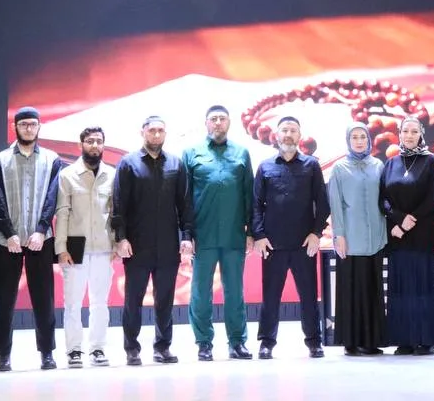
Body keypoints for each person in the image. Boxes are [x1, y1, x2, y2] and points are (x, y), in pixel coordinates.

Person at [112, 116, 195, 366]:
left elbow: (185, 205)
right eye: (152, 131)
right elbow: (119, 205)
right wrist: (121, 238)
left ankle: (163, 347)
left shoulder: (176, 164)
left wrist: (186, 237)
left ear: (165, 134)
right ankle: (132, 348)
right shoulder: (128, 163)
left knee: (165, 300)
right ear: (143, 133)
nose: (156, 135)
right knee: (133, 300)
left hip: (168, 245)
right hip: (137, 245)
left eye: (160, 131)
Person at [0, 106, 65, 371]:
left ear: (39, 127)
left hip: (40, 239)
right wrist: (9, 232)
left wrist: (42, 229)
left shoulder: (52, 159)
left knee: (44, 299)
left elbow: (52, 198)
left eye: (33, 124)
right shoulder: (0, 160)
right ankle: (3, 355)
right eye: (23, 124)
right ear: (15, 127)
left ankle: (47, 353)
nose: (28, 128)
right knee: (4, 300)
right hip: (7, 240)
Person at [253, 116, 329, 359]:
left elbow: (323, 203)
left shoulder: (311, 165)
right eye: (284, 130)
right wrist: (259, 235)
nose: (288, 134)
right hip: (272, 244)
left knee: (308, 295)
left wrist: (316, 233)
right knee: (270, 296)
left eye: (293, 130)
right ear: (277, 135)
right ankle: (266, 342)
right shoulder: (265, 166)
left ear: (299, 136)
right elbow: (255, 204)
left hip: (303, 243)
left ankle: (314, 342)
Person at [184, 105, 254, 361]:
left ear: (229, 123)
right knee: (200, 292)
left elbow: (249, 194)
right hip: (203, 235)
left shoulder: (242, 153)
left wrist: (251, 231)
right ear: (206, 123)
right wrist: (186, 235)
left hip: (234, 234)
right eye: (213, 119)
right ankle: (204, 342)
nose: (217, 123)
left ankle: (237, 342)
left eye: (222, 119)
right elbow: (184, 198)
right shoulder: (191, 153)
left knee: (235, 291)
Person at [55, 126, 117, 368]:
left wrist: (116, 242)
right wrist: (61, 248)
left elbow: (115, 213)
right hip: (75, 246)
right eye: (90, 141)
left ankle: (98, 348)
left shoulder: (112, 174)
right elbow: (62, 212)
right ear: (81, 145)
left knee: (100, 302)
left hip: (103, 245)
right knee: (72, 303)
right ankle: (74, 350)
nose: (95, 145)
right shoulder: (67, 175)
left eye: (99, 141)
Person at [380, 116, 434, 355]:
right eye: (405, 131)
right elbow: (382, 198)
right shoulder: (391, 163)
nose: (409, 135)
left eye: (414, 131)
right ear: (399, 134)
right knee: (401, 288)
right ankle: (403, 340)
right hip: (398, 236)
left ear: (421, 134)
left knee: (423, 288)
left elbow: (433, 197)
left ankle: (425, 340)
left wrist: (409, 221)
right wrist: (397, 219)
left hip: (423, 234)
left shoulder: (431, 161)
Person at [327, 124, 387, 356]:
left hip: (375, 238)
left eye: (363, 137)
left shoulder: (378, 165)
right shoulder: (339, 168)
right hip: (350, 239)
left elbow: (384, 200)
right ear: (348, 140)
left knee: (372, 290)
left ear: (369, 140)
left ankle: (371, 341)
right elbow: (336, 204)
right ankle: (351, 341)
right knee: (351, 290)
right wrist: (339, 235)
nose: (359, 141)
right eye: (355, 137)